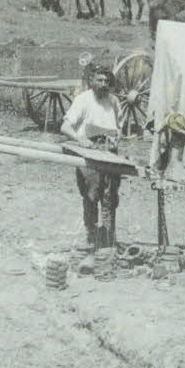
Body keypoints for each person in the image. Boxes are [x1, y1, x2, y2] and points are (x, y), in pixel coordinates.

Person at [60, 64, 123, 250]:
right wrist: (80, 139)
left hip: (109, 153)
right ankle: (92, 235)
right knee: (92, 194)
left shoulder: (113, 101)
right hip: (89, 153)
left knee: (110, 196)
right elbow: (65, 127)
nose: (104, 84)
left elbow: (119, 126)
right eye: (100, 80)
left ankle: (109, 238)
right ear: (91, 81)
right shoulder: (83, 100)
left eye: (107, 81)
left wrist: (116, 138)